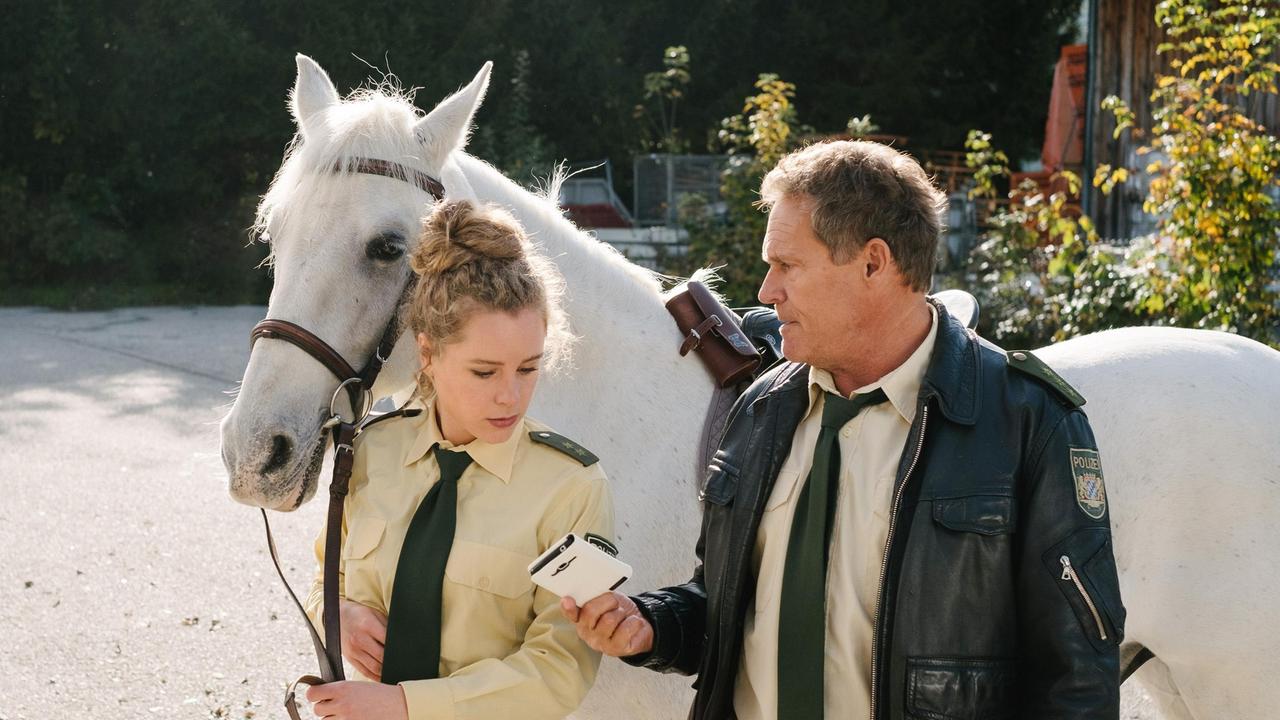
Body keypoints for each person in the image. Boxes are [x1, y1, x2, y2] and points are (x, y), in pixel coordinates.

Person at [563, 140, 1124, 719]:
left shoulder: (1030, 422)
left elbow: (1076, 680)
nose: (765, 291)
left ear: (873, 263)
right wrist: (650, 627)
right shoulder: (761, 408)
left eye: (787, 265)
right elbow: (725, 607)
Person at [303, 199, 615, 720]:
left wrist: (405, 705)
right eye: (485, 372)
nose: (510, 397)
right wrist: (337, 612)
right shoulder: (371, 453)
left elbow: (561, 667)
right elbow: (325, 575)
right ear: (427, 354)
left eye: (528, 368)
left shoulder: (573, 487)